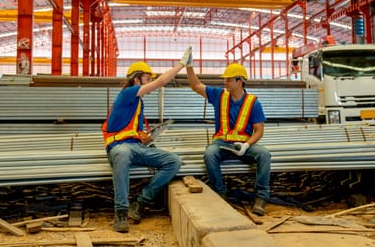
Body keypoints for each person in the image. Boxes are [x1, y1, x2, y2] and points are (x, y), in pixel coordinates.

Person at [101, 47, 192, 233]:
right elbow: (162, 81)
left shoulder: (138, 104)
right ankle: (121, 212)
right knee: (123, 152)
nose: (150, 83)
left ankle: (140, 203)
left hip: (136, 147)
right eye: (147, 79)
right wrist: (182, 64)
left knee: (173, 161)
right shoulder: (128, 94)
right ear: (136, 80)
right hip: (119, 148)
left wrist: (148, 138)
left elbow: (133, 134)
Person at [186, 59, 271, 216]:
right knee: (210, 154)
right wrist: (189, 66)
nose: (225, 82)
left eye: (229, 79)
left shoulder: (253, 103)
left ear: (239, 81)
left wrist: (246, 145)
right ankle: (220, 193)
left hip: (244, 145)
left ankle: (261, 197)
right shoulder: (219, 95)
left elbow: (259, 131)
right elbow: (195, 85)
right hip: (222, 143)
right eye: (225, 79)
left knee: (264, 154)